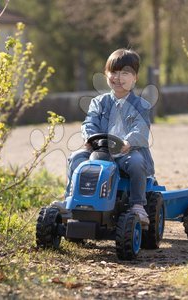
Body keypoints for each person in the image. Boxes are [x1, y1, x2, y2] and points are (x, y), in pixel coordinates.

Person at [54, 48, 155, 226]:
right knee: (76, 157)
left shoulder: (141, 105)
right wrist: (90, 138)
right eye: (113, 72)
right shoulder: (98, 103)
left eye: (125, 73)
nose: (118, 77)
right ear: (106, 75)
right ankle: (70, 200)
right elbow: (89, 122)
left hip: (127, 152)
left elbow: (141, 129)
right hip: (100, 151)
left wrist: (128, 142)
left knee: (137, 163)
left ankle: (138, 204)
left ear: (135, 78)